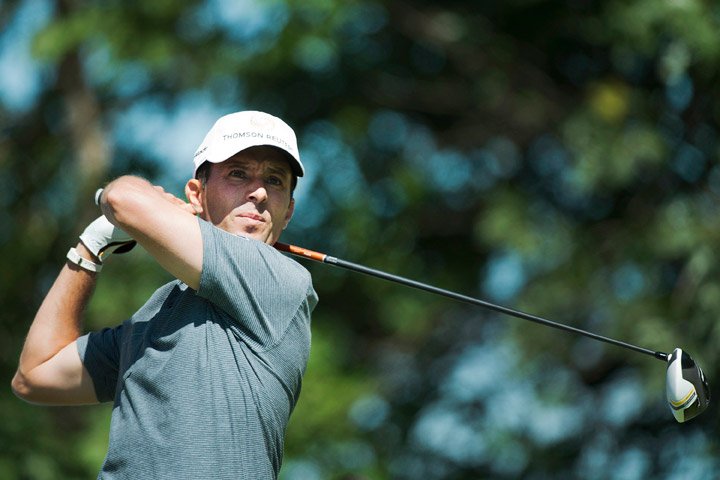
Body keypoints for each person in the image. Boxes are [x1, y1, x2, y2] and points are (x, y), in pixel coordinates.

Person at [11, 111, 318, 479]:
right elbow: (35, 374)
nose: (260, 191)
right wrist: (90, 247)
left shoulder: (278, 279)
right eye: (238, 173)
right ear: (196, 194)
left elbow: (123, 197)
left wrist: (134, 204)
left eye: (275, 180)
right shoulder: (157, 312)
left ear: (288, 213)